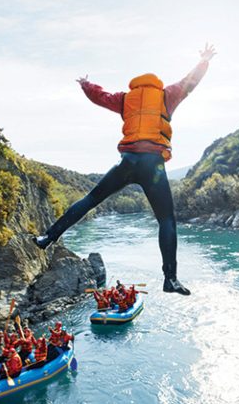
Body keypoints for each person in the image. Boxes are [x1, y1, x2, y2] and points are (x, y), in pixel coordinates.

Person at [33, 44, 219, 296]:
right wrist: (204, 61)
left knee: (90, 199)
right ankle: (170, 279)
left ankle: (48, 237)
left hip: (128, 161)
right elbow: (191, 81)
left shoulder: (125, 98)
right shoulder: (167, 95)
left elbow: (99, 96)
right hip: (153, 165)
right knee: (166, 220)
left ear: (137, 85)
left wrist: (85, 84)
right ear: (155, 84)